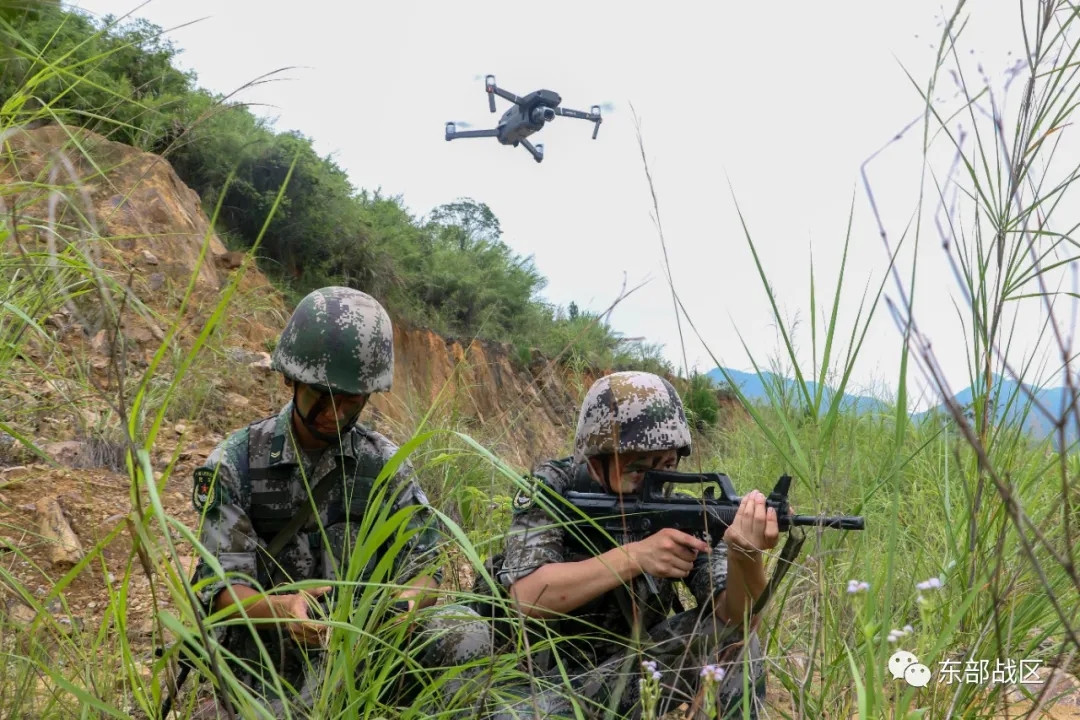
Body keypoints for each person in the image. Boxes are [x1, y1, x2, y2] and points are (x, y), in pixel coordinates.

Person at [186, 286, 490, 715]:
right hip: (268, 661)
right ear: (292, 380)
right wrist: (286, 609)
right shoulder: (236, 462)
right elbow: (223, 591)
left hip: (365, 655)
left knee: (466, 630)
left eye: (352, 401)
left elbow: (427, 570)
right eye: (323, 396)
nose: (336, 412)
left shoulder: (384, 464)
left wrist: (401, 609)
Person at [494, 370, 778, 719]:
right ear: (596, 462)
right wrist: (635, 557)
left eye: (667, 465)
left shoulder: (685, 512)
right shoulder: (555, 488)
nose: (656, 480)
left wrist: (745, 555)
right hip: (542, 684)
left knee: (736, 641)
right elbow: (528, 595)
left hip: (632, 676)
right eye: (638, 467)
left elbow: (738, 617)